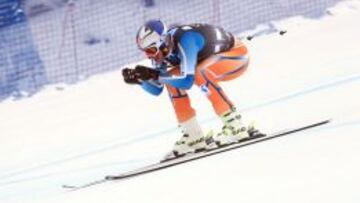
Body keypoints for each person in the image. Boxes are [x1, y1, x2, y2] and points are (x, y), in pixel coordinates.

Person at [122, 20, 251, 160]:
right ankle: (193, 135)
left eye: (151, 50)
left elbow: (187, 81)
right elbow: (158, 88)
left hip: (236, 56)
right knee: (170, 79)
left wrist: (154, 74)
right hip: (215, 61)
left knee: (194, 72)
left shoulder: (186, 40)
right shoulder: (162, 51)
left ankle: (234, 125)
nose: (149, 56)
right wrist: (140, 80)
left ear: (162, 43)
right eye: (145, 52)